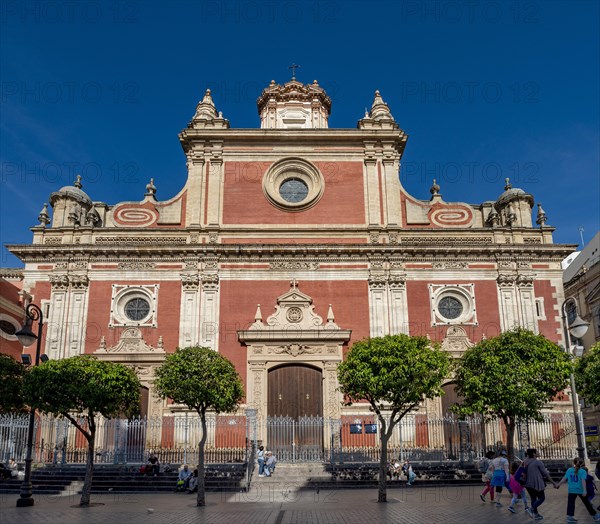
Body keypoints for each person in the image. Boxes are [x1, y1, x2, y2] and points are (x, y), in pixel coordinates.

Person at [555, 456, 600, 522]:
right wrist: (584, 490)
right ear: (583, 463)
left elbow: (564, 478)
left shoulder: (569, 470)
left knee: (571, 503)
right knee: (587, 503)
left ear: (573, 463)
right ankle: (595, 516)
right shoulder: (583, 471)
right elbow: (583, 481)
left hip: (571, 490)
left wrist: (558, 484)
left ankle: (569, 517)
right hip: (580, 490)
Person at [523, 448, 556, 521]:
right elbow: (546, 474)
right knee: (542, 498)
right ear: (534, 454)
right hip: (537, 483)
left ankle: (536, 514)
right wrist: (554, 483)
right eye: (537, 451)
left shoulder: (525, 461)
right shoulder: (538, 462)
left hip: (528, 483)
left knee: (533, 498)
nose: (539, 452)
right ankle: (531, 509)